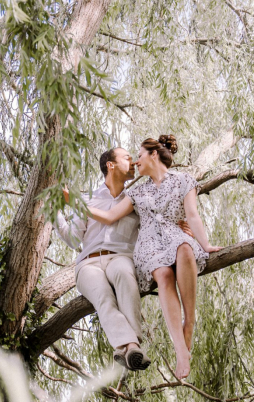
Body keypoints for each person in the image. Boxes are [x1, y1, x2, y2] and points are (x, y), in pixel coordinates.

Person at [83, 135, 222, 379]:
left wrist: (206, 243)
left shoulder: (183, 181)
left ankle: (189, 321)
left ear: (153, 155)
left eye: (139, 155)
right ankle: (180, 351)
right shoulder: (136, 193)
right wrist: (76, 203)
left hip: (176, 235)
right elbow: (109, 217)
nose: (136, 161)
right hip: (149, 246)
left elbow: (192, 215)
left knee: (185, 248)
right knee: (164, 274)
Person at [55, 147, 195, 371]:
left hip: (120, 257)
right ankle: (132, 345)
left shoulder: (136, 201)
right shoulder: (87, 199)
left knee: (124, 275)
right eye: (127, 158)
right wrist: (55, 211)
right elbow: (73, 239)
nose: (133, 162)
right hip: (88, 263)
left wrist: (179, 225)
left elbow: (157, 222)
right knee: (102, 296)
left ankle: (127, 346)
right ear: (110, 165)